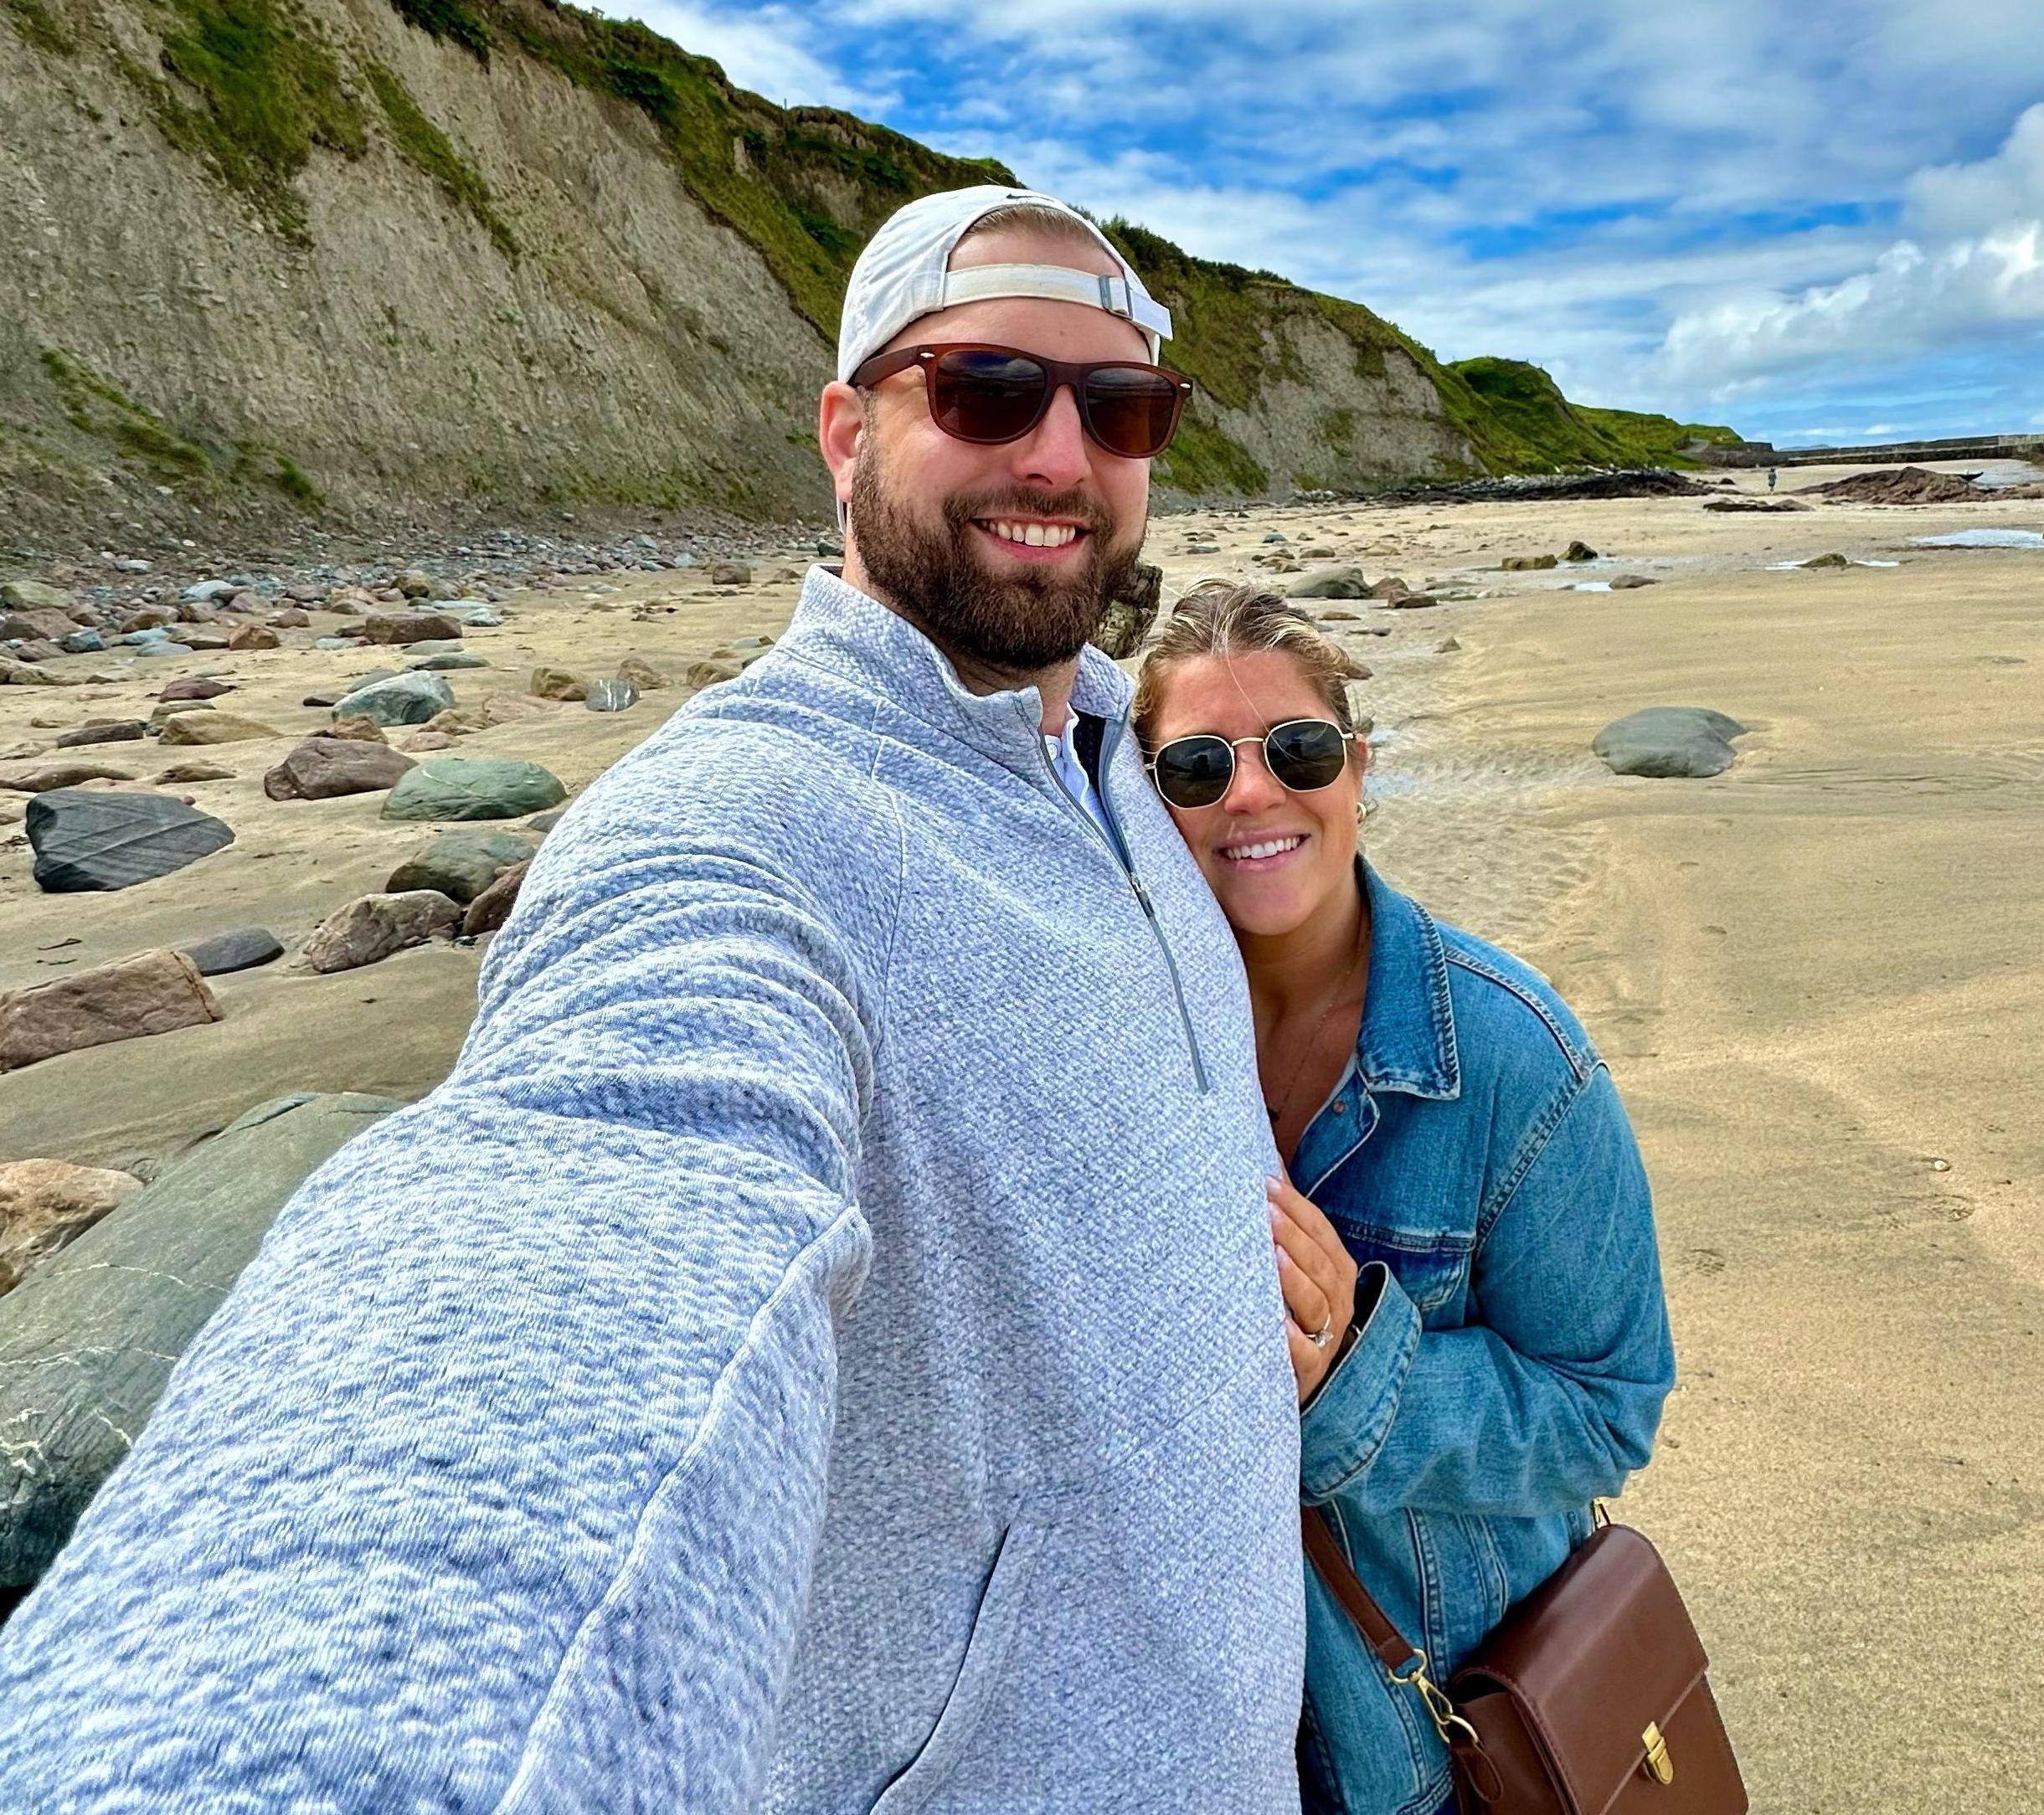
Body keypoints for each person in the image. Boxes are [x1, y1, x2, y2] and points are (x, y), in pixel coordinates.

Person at [0, 189, 1306, 1812]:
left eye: (1119, 407)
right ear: (845, 431)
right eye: (983, 389)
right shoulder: (724, 834)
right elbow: (586, 1211)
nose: (1058, 453)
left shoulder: (1140, 756)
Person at [1132, 582, 1676, 1815]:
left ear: (1357, 769)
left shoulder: (1513, 1060)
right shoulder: (1124, 1053)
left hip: (1422, 1741)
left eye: (1299, 751)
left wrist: (1353, 1380)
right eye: (1198, 767)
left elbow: (1606, 1412)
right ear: (1145, 802)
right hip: (1200, 1737)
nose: (1254, 794)